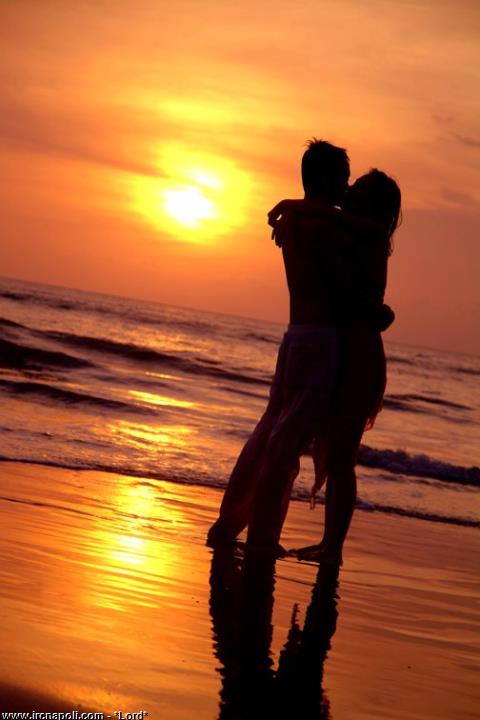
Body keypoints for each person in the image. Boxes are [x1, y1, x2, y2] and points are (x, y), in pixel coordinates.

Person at [207, 139, 351, 553]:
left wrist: (294, 204)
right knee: (286, 444)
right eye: (341, 179)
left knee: (270, 432)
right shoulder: (323, 227)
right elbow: (338, 287)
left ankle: (231, 521)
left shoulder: (293, 222)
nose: (345, 188)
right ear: (323, 179)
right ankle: (262, 535)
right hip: (318, 340)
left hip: (295, 336)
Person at [268, 169, 401, 564]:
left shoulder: (372, 234)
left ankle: (333, 549)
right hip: (346, 352)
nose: (349, 190)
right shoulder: (350, 232)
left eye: (358, 188)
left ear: (374, 204)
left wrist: (291, 205)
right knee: (334, 451)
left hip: (360, 356)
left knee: (342, 456)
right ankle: (329, 545)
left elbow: (331, 215)